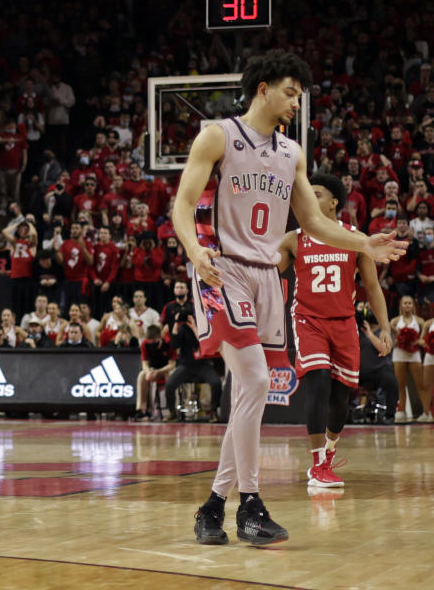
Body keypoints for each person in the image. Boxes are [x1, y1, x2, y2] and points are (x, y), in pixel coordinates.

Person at [173, 51, 405, 546]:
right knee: (256, 378)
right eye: (291, 91)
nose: (297, 101)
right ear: (263, 89)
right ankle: (250, 505)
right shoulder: (218, 135)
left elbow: (315, 222)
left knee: (248, 394)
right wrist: (194, 249)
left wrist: (365, 243)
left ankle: (213, 506)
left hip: (267, 279)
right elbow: (184, 203)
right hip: (224, 270)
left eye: (300, 94)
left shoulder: (292, 153)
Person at [276, 174, 393, 487]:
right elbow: (269, 270)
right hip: (308, 320)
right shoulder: (293, 239)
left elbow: (372, 285)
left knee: (341, 397)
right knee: (318, 384)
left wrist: (385, 328)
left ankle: (328, 455)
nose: (308, 198)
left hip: (344, 322)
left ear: (334, 202)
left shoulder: (356, 238)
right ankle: (316, 465)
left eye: (315, 193)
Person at [391, 295, 426, 421]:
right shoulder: (394, 321)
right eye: (405, 303)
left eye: (409, 303)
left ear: (413, 305)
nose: (407, 305)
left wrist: (417, 342)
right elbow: (391, 338)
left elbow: (423, 340)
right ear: (401, 305)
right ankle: (402, 411)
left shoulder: (420, 321)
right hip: (399, 354)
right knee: (400, 385)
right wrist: (399, 339)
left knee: (420, 384)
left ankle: (426, 412)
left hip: (414, 354)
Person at [134, 325, 175, 420]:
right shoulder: (145, 344)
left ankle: (171, 409)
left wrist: (159, 371)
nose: (151, 343)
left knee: (172, 375)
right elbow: (145, 363)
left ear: (158, 337)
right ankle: (142, 410)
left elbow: (172, 364)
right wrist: (148, 372)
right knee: (141, 376)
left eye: (153, 341)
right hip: (153, 369)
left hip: (166, 370)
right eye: (149, 341)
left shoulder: (168, 343)